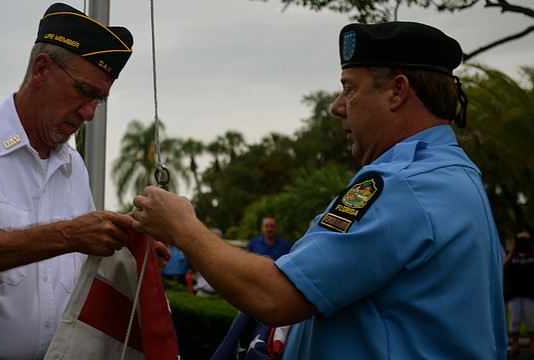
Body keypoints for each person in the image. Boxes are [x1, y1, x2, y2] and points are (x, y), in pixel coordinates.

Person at [132, 21, 507, 359]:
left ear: (397, 91)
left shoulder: (400, 183)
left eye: (350, 89)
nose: (336, 107)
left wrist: (183, 227)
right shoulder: (453, 173)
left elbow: (276, 297)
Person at [0, 4, 152, 359]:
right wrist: (68, 235)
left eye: (100, 99)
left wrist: (130, 249)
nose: (90, 113)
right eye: (84, 91)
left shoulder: (73, 166)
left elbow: (79, 265)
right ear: (41, 69)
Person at [504, 231, 534, 357]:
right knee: (514, 321)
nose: (523, 243)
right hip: (514, 294)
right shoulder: (512, 257)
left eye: (525, 241)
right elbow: (504, 266)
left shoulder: (531, 256)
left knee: (531, 320)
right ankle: (515, 345)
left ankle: (533, 345)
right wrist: (512, 251)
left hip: (529, 293)